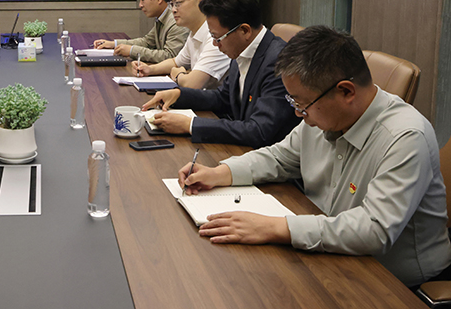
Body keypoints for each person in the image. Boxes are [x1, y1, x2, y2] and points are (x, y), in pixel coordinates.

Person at [178, 25, 451, 288]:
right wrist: (220, 173)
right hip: (331, 255)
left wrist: (274, 227)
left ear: (346, 91)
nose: (298, 113)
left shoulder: (405, 136)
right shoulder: (324, 115)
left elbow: (374, 229)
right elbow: (280, 157)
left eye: (302, 103)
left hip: (394, 282)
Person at [142, 0, 300, 147]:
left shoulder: (279, 62)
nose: (215, 44)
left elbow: (259, 130)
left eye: (217, 37)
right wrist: (179, 95)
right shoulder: (242, 48)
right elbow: (223, 97)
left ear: (244, 31)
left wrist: (190, 125)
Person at [133, 0, 230, 89]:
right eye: (172, 4)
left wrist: (178, 74)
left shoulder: (215, 37)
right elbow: (176, 62)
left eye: (178, 3)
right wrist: (150, 69)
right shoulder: (194, 33)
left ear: (201, 2)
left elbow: (192, 84)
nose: (173, 10)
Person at [92, 0, 187, 63]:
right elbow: (146, 42)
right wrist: (114, 44)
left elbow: (170, 56)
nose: (140, 5)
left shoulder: (176, 21)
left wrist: (132, 51)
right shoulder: (162, 17)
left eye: (143, 0)